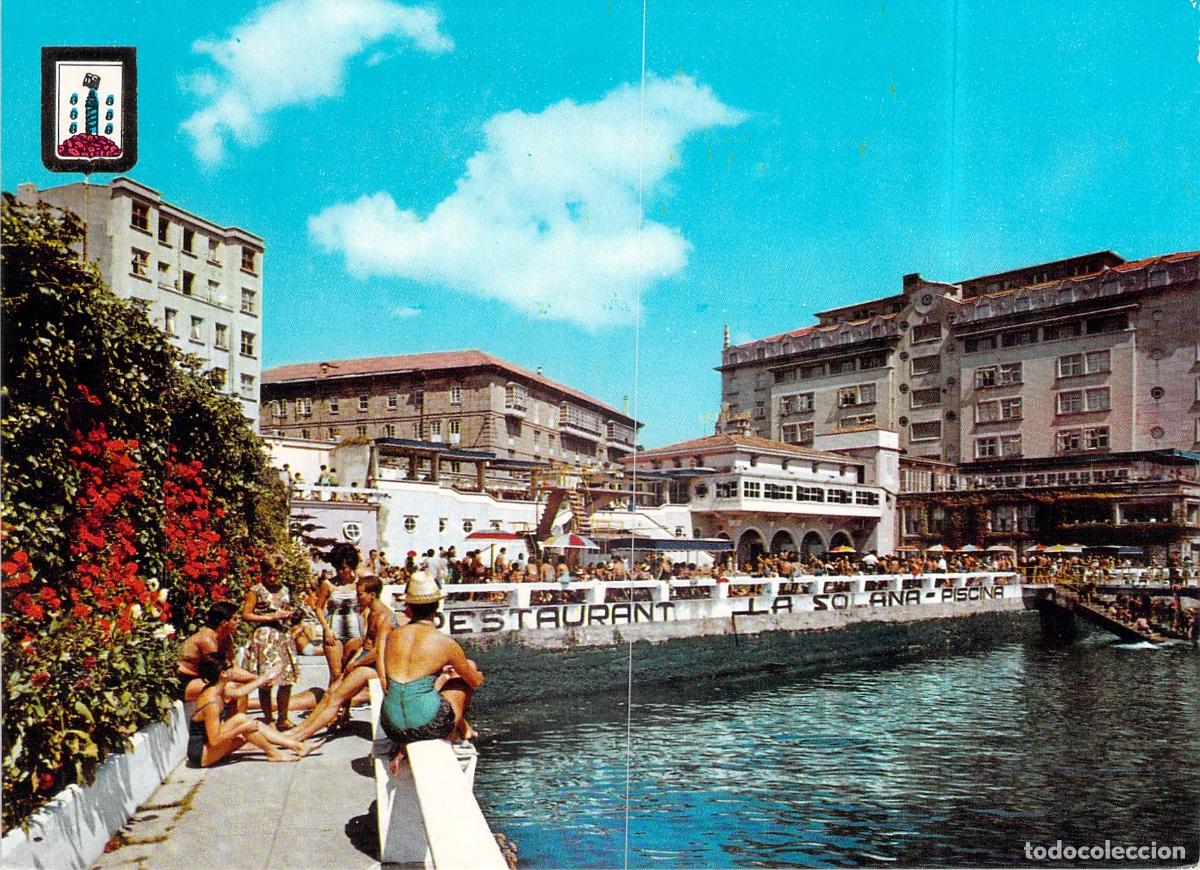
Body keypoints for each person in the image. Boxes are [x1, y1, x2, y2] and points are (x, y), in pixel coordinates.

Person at [379, 572, 483, 774]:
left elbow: (391, 680)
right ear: (437, 606)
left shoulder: (394, 636)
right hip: (426, 728)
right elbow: (475, 682)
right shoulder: (445, 643)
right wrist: (473, 675)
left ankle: (403, 746)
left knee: (412, 691)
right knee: (465, 680)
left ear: (409, 607)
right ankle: (452, 737)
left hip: (391, 726)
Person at [286, 575, 401, 740]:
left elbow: (378, 651)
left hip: (373, 664)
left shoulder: (385, 617)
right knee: (329, 693)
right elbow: (366, 644)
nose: (357, 598)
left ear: (372, 595)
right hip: (364, 660)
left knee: (335, 697)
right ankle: (300, 730)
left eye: (360, 594)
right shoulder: (372, 613)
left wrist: (356, 664)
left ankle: (301, 735)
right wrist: (354, 661)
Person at [187, 654, 316, 767]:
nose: (234, 669)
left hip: (207, 746)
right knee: (245, 727)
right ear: (223, 674)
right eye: (230, 667)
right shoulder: (212, 703)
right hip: (201, 754)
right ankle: (274, 753)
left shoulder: (216, 688)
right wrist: (241, 729)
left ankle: (296, 746)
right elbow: (215, 740)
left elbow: (240, 692)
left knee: (241, 719)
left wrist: (266, 676)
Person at [241, 556, 301, 730]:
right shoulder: (256, 590)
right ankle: (268, 718)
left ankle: (283, 717)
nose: (273, 579)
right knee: (266, 681)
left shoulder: (285, 590)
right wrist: (270, 616)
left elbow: (288, 609)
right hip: (265, 635)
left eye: (276, 575)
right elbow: (246, 614)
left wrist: (291, 616)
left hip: (282, 636)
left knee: (286, 679)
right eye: (269, 575)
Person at [315, 542, 364, 684]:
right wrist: (326, 628)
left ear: (351, 566)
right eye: (337, 568)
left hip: (355, 630)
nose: (340, 572)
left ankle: (345, 706)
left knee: (349, 673)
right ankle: (332, 705)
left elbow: (367, 607)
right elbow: (318, 608)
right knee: (336, 673)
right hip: (333, 631)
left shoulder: (359, 583)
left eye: (344, 568)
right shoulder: (328, 584)